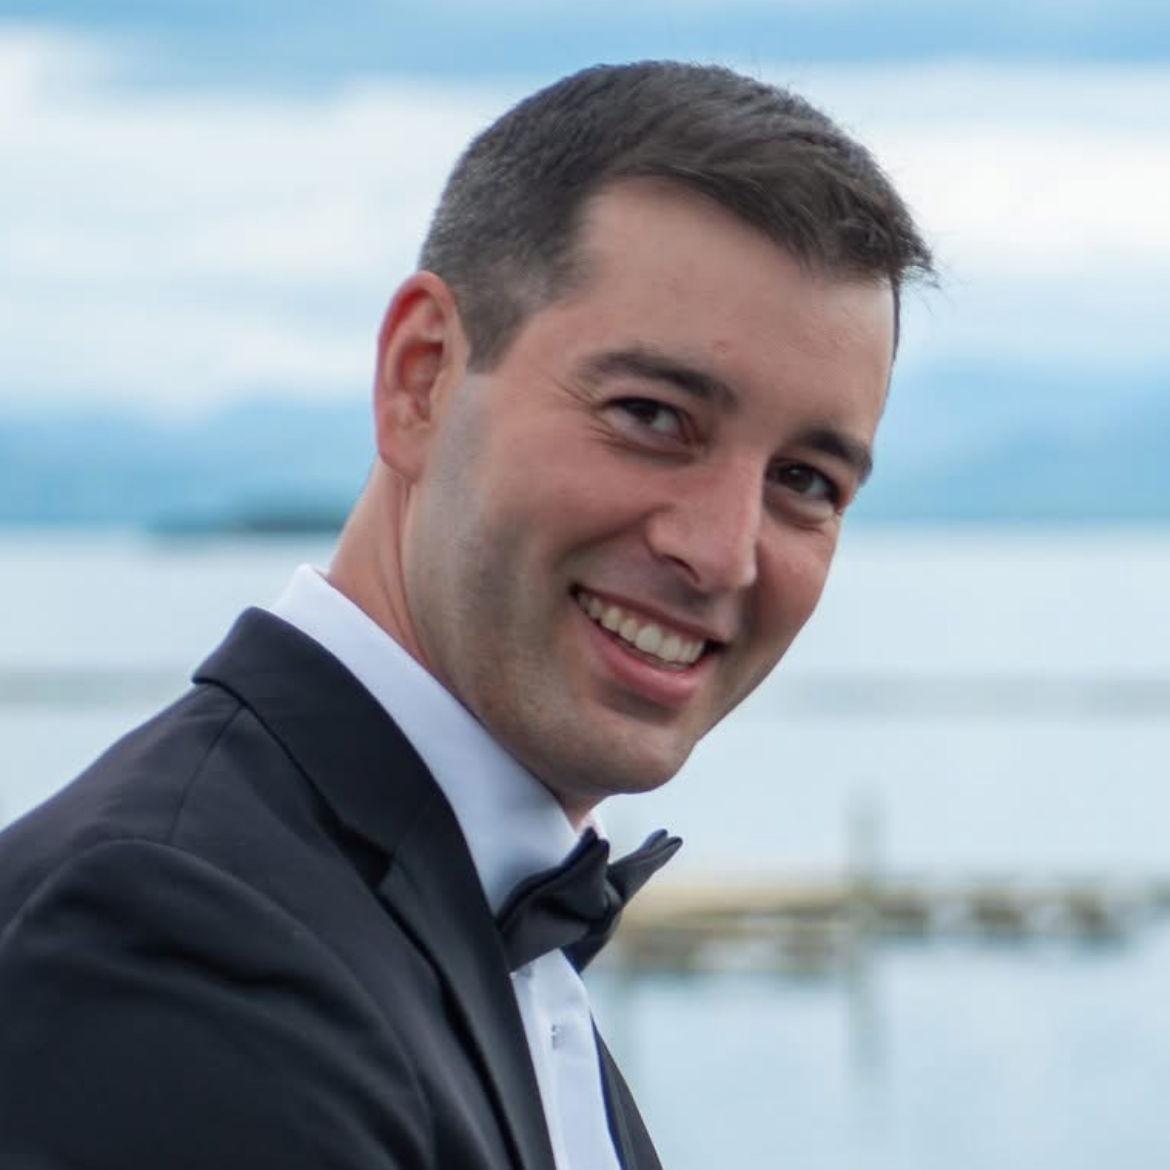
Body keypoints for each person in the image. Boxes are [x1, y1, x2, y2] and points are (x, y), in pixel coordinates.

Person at [0, 61, 932, 1169]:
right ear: (422, 379)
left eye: (807, 482)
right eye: (651, 416)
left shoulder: (447, 920)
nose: (722, 552)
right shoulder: (172, 937)